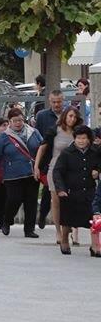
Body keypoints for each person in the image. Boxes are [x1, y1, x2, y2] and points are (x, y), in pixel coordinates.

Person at [0, 107, 43, 238]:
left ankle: (29, 229)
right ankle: (7, 221)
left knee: (31, 202)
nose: (18, 123)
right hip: (13, 174)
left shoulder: (33, 132)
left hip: (31, 172)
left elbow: (42, 146)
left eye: (20, 120)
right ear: (10, 121)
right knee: (14, 199)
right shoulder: (4, 136)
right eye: (15, 121)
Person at [35, 106, 83, 245]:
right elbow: (42, 148)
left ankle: (75, 231)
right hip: (55, 168)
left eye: (74, 117)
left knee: (74, 200)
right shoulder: (54, 130)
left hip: (74, 169)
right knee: (56, 201)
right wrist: (36, 167)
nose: (72, 119)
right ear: (65, 116)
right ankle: (59, 231)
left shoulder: (79, 132)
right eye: (70, 116)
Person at [51, 125, 99, 255]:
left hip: (89, 190)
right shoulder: (67, 153)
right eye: (78, 138)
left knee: (94, 219)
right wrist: (60, 189)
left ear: (89, 139)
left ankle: (95, 245)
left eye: (84, 138)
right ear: (75, 138)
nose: (81, 141)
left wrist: (97, 170)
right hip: (70, 191)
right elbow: (57, 172)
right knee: (67, 219)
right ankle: (65, 240)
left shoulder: (95, 152)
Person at [34, 90, 67, 230]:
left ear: (63, 100)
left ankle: (66, 221)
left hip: (65, 157)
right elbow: (38, 136)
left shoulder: (68, 115)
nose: (56, 105)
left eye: (59, 102)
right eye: (53, 102)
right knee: (48, 188)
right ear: (49, 101)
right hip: (48, 157)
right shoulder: (42, 116)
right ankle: (43, 214)